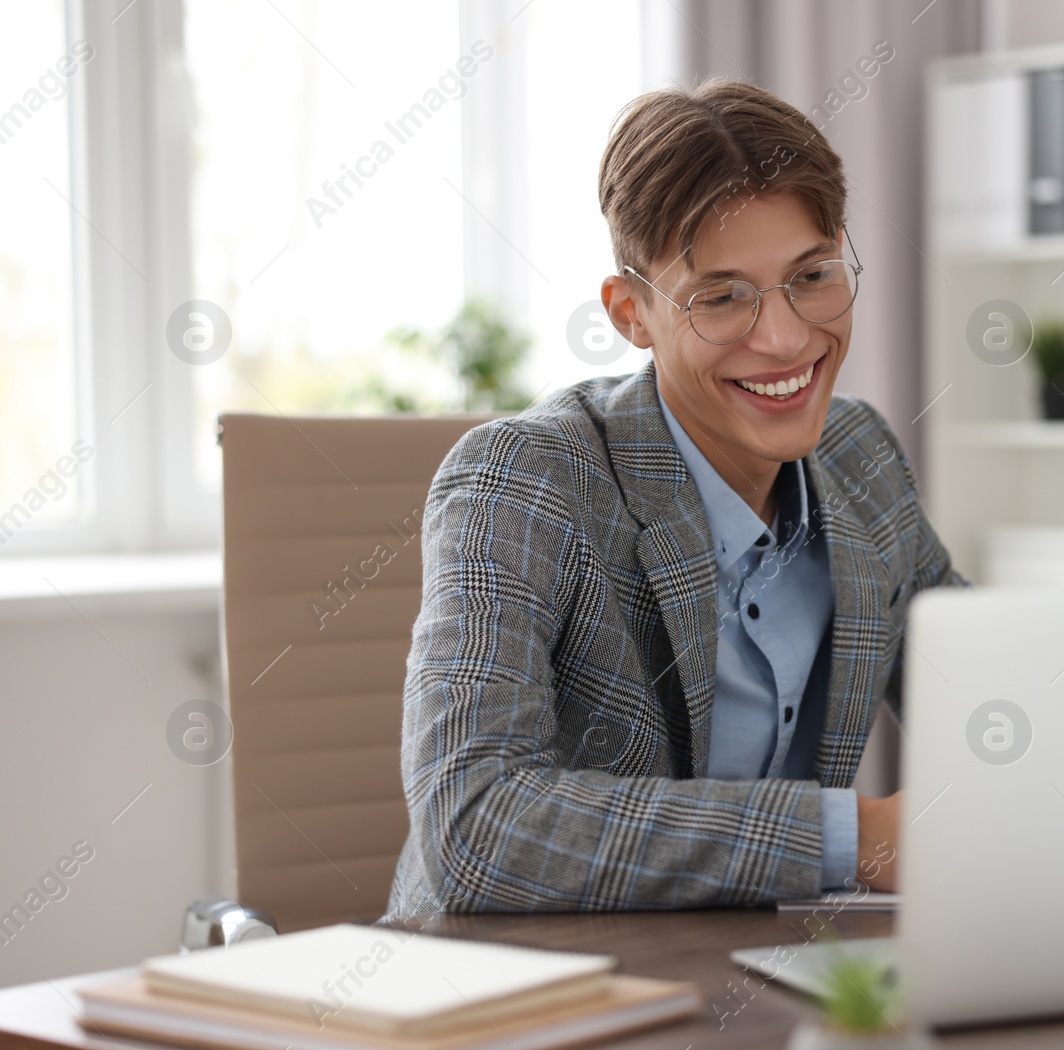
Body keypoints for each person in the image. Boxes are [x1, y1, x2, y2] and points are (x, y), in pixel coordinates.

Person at [387, 77, 962, 916]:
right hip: (518, 999)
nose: (785, 337)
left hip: (753, 988)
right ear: (632, 314)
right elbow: (476, 825)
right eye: (722, 297)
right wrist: (855, 837)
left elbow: (995, 703)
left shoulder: (862, 458)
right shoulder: (523, 482)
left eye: (812, 276)